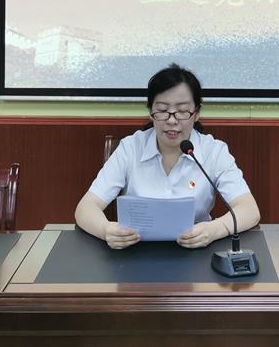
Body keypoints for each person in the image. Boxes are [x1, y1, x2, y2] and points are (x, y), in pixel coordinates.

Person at [74, 63, 261, 250]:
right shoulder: (130, 148)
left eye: (182, 111)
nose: (172, 120)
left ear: (196, 113)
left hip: (197, 250)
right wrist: (106, 229)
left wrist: (214, 230)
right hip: (135, 251)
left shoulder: (214, 151)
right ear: (151, 112)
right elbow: (86, 208)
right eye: (163, 110)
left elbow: (249, 209)